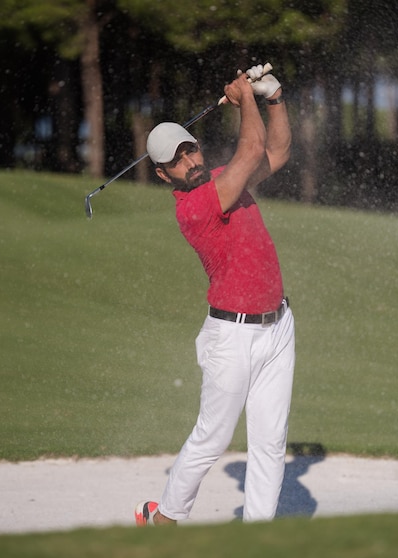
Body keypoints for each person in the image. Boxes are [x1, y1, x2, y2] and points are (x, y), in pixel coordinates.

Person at [135, 63, 295, 525]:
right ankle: (164, 517)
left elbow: (277, 152)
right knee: (212, 437)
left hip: (278, 326)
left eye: (191, 150)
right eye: (177, 161)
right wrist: (245, 98)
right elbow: (251, 148)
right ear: (164, 176)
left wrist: (273, 97)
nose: (190, 162)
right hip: (232, 337)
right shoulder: (195, 208)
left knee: (270, 440)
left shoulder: (227, 178)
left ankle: (258, 536)